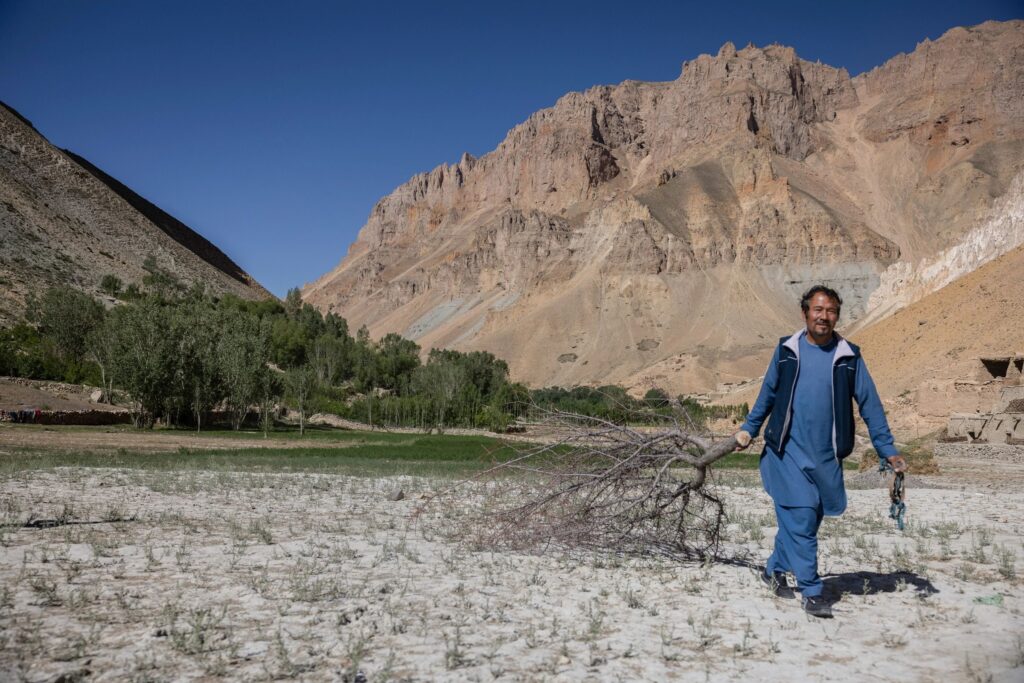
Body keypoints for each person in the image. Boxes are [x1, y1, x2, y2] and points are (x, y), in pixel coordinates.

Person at [734, 285, 907, 618]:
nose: (824, 317)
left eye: (830, 311)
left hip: (826, 457)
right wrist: (749, 428)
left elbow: (870, 404)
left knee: (809, 521)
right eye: (818, 310)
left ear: (837, 316)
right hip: (785, 452)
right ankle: (812, 592)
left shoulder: (849, 356)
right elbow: (767, 393)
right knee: (800, 517)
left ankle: (772, 571)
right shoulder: (787, 349)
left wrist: (887, 449)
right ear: (805, 313)